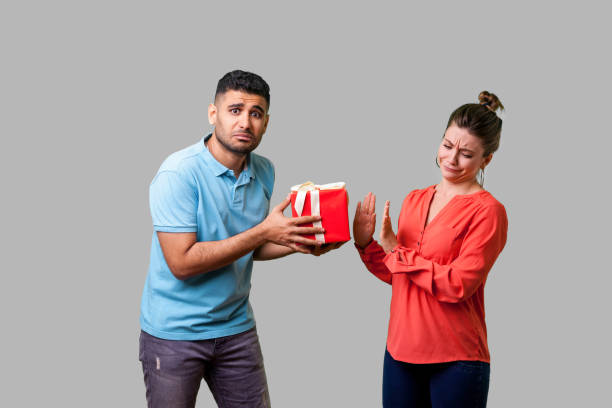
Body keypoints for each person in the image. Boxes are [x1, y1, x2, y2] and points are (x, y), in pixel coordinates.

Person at [139, 70, 342, 408]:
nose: (245, 122)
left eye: (256, 113)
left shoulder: (264, 170)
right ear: (212, 114)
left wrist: (297, 241)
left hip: (235, 328)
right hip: (174, 333)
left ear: (266, 122)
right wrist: (265, 230)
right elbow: (182, 262)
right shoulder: (178, 173)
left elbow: (249, 246)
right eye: (235, 110)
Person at [353, 91, 509, 407]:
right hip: (399, 352)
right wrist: (365, 242)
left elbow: (459, 284)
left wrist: (396, 251)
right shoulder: (414, 199)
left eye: (466, 154)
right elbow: (399, 274)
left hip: (456, 358)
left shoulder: (488, 211)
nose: (451, 159)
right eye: (448, 146)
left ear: (486, 159)